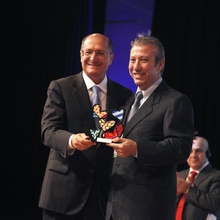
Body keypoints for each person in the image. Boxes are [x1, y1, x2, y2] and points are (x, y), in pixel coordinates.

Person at [38, 33, 133, 220]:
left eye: (100, 53)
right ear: (81, 55)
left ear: (111, 58)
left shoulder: (124, 94)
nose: (93, 58)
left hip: (103, 194)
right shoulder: (60, 87)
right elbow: (48, 131)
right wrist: (71, 140)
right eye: (88, 52)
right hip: (63, 192)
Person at [105, 36, 195, 220]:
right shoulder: (128, 101)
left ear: (160, 64)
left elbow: (180, 148)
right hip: (114, 205)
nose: (136, 66)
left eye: (143, 60)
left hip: (148, 207)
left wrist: (137, 148)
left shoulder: (175, 101)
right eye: (132, 60)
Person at [176, 136, 220, 220]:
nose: (193, 155)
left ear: (207, 154)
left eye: (198, 151)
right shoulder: (180, 175)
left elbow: (215, 203)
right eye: (190, 151)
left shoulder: (216, 175)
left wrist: (187, 190)